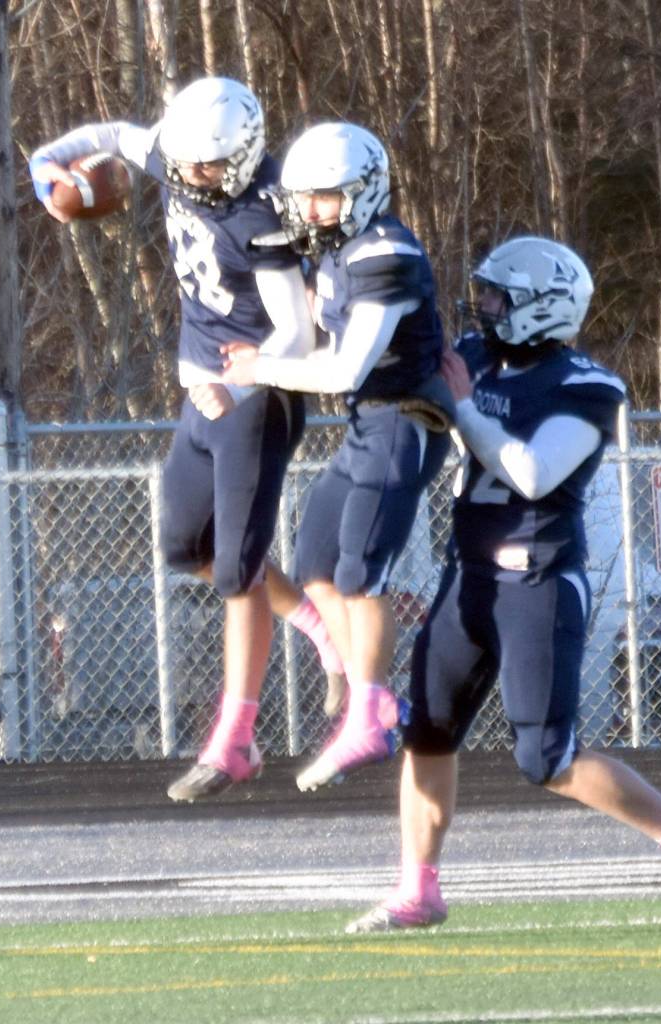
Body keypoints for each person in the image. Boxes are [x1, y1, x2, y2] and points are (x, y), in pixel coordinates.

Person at [346, 236, 661, 932]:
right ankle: (418, 888)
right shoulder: (474, 353)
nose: (484, 306)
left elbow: (529, 473)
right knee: (427, 734)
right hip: (466, 575)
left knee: (544, 756)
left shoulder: (587, 386)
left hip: (538, 581)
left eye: (498, 296)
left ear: (539, 308)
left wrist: (462, 409)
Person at [29, 77, 346, 801]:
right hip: (199, 395)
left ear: (239, 157)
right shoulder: (181, 156)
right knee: (184, 548)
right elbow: (108, 135)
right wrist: (47, 167)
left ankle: (233, 741)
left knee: (237, 570)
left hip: (254, 398)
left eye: (205, 165)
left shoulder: (265, 213)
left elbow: (296, 333)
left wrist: (237, 385)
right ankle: (320, 627)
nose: (190, 174)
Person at [222, 122, 454, 793]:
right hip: (366, 426)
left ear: (363, 190)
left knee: (359, 576)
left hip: (404, 421)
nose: (311, 209)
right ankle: (372, 705)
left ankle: (369, 710)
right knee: (316, 567)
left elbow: (349, 368)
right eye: (306, 196)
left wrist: (262, 367)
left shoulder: (386, 253)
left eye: (325, 196)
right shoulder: (336, 248)